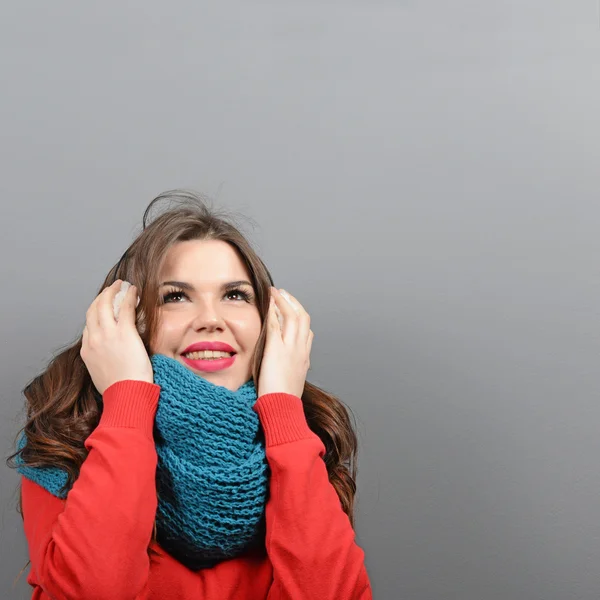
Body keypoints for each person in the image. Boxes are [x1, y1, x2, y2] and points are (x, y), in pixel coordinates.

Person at [7, 189, 372, 599]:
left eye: (235, 295)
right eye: (175, 297)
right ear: (130, 322)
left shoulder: (311, 437)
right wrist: (126, 402)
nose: (211, 320)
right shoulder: (61, 441)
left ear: (266, 322)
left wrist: (285, 414)